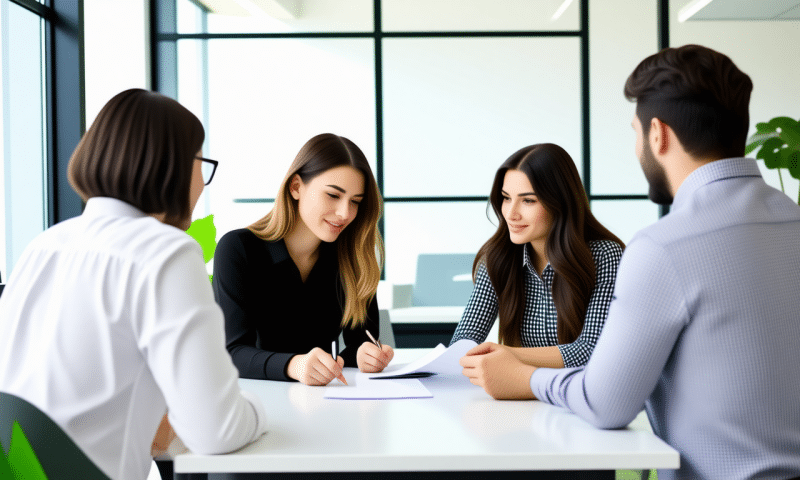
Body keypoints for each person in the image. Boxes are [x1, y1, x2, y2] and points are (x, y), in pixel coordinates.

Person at [460, 45, 800, 480]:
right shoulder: (792, 221)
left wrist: (522, 377)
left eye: (635, 131)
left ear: (657, 135)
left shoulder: (663, 248)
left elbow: (607, 402)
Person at [0, 89, 267, 480]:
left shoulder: (44, 245)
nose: (203, 183)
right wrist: (259, 411)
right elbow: (217, 430)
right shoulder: (166, 252)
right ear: (174, 167)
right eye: (201, 163)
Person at [213, 133, 392, 386]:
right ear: (296, 187)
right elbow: (231, 352)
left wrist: (364, 354)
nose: (345, 213)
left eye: (355, 202)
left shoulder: (353, 257)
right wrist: (294, 365)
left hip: (326, 401)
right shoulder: (238, 249)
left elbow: (359, 342)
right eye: (333, 195)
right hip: (255, 402)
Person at [450, 143, 624, 369]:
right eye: (506, 198)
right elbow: (463, 343)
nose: (511, 214)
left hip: (578, 395)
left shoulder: (604, 256)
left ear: (560, 202)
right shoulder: (498, 258)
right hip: (522, 394)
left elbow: (591, 350)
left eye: (528, 200)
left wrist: (506, 354)